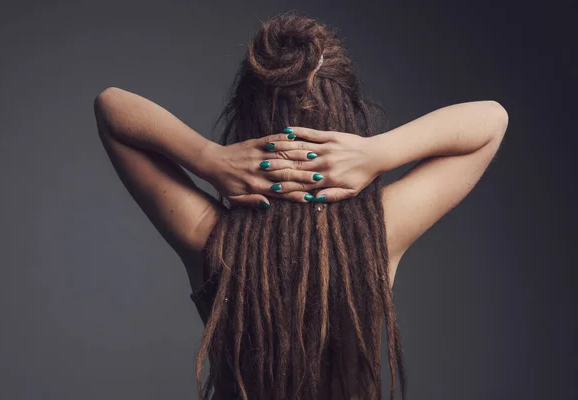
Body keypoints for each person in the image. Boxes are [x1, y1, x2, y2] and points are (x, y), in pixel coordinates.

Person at [93, 12, 508, 400]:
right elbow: (491, 120)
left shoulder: (209, 236)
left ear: (246, 120)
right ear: (346, 121)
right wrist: (379, 153)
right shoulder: (377, 236)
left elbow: (111, 107)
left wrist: (207, 158)